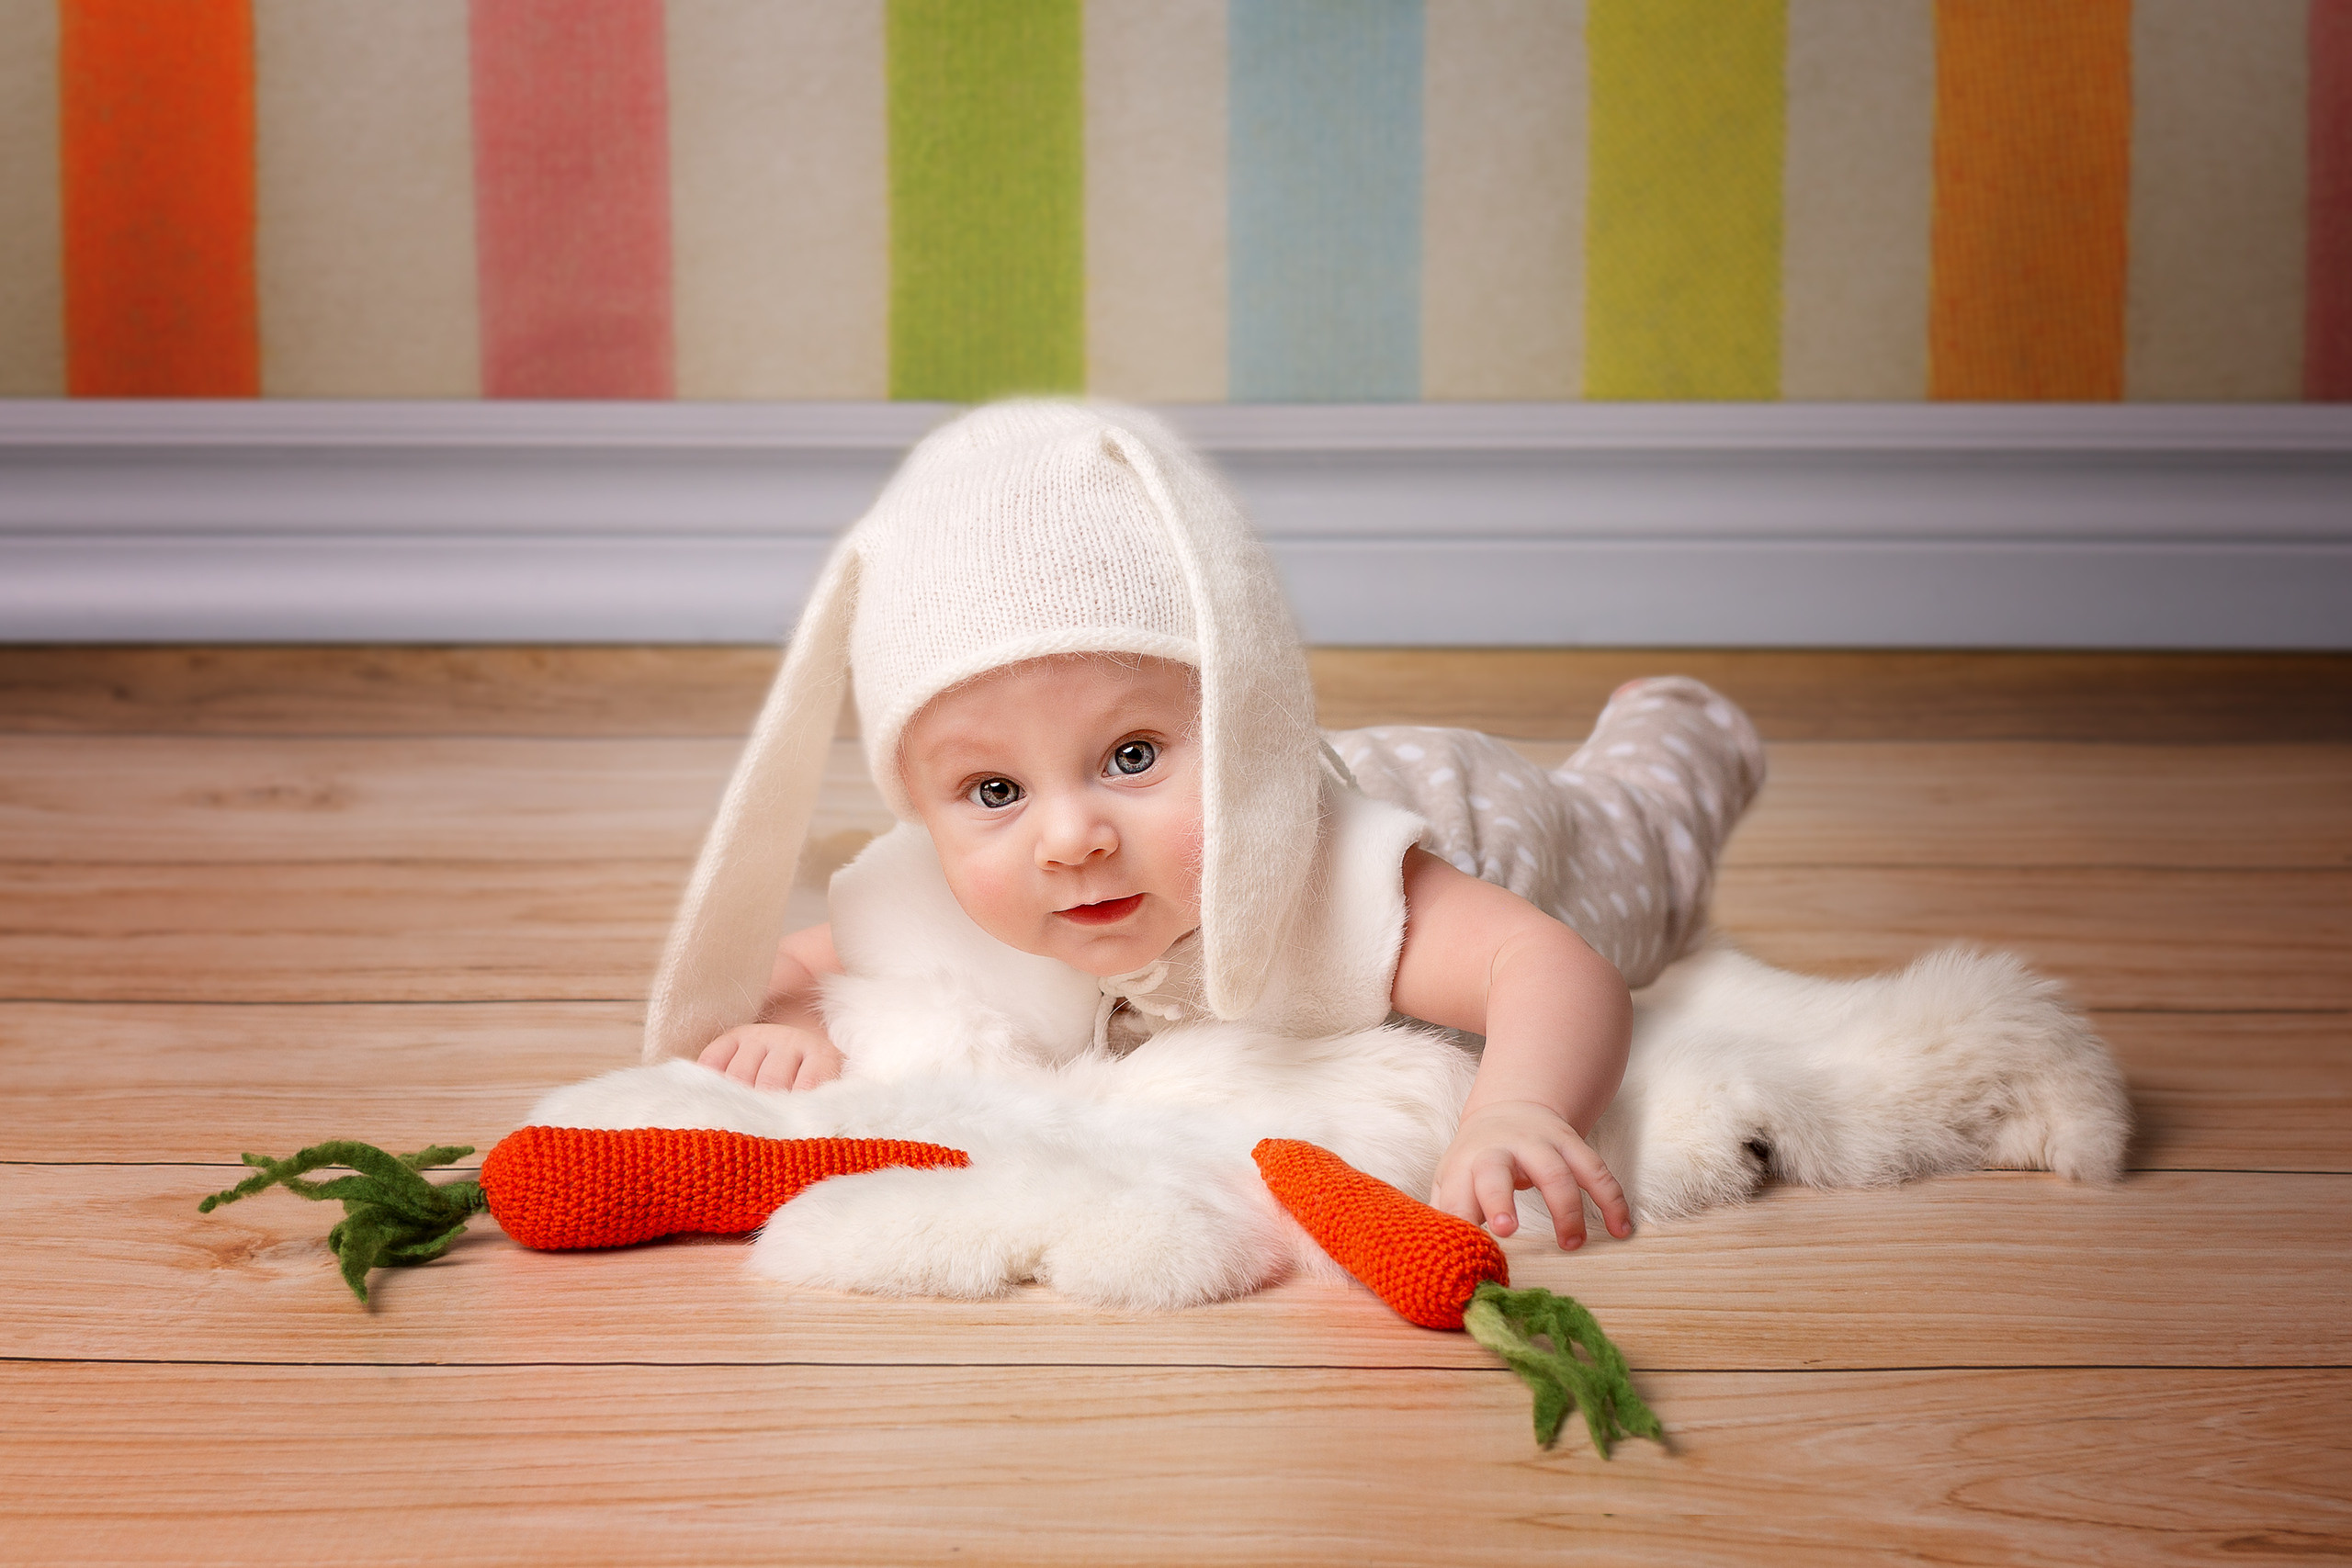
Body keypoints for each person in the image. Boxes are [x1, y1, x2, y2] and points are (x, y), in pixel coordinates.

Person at [648, 400, 1760, 1251]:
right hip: (1318, 763)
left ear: (1239, 726)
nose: (1070, 839)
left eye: (1130, 756)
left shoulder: (1334, 879)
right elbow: (798, 963)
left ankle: (1674, 725)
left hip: (1479, 810)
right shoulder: (940, 894)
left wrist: (1514, 1108)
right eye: (993, 791)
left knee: (1642, 839)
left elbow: (1546, 964)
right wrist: (793, 1023)